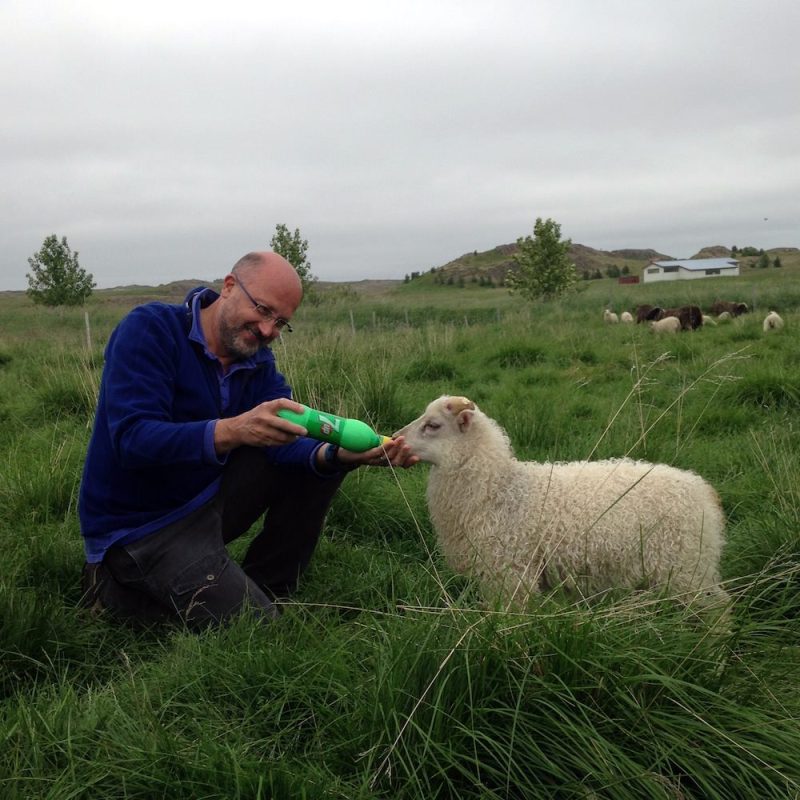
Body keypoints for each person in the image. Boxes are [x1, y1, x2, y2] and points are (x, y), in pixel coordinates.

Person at [78, 251, 418, 628]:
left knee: (317, 465)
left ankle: (268, 588)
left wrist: (336, 455)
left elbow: (293, 434)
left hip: (203, 501)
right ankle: (113, 587)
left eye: (281, 323)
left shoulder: (256, 362)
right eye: (263, 309)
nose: (268, 329)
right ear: (228, 287)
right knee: (256, 631)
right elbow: (133, 439)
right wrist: (234, 430)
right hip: (143, 526)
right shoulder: (150, 330)